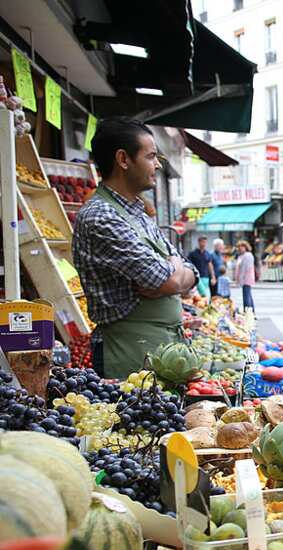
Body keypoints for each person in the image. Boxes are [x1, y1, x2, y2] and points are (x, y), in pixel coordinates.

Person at [73, 117, 198, 379]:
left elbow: (187, 273)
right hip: (129, 355)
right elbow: (168, 280)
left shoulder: (139, 213)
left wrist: (175, 273)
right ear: (123, 159)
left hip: (160, 349)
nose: (157, 164)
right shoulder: (101, 216)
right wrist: (173, 273)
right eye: (151, 156)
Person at [234, 240, 257, 312]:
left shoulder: (248, 255)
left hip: (246, 278)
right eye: (239, 247)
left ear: (245, 247)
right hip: (243, 278)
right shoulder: (241, 256)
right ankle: (250, 311)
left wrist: (241, 279)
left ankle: (248, 311)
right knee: (247, 294)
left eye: (242, 247)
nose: (240, 248)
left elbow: (245, 268)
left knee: (246, 295)